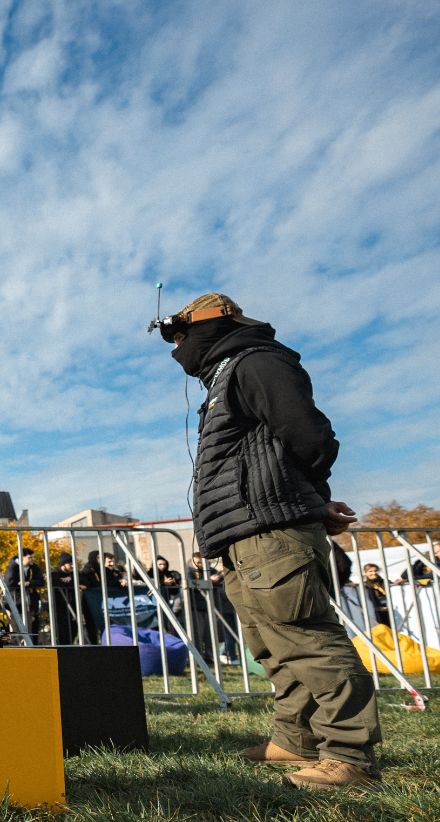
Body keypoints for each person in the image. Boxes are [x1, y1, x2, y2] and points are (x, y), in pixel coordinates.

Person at [160, 291, 380, 788]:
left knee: (307, 639)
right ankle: (294, 740)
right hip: (242, 533)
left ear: (213, 324)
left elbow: (309, 436)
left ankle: (349, 754)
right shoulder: (226, 374)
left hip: (269, 528)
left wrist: (308, 498)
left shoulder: (256, 363)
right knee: (273, 647)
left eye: (181, 335)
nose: (177, 348)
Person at [361, 563, 391, 628]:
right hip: (375, 612)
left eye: (375, 570)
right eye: (370, 571)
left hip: (389, 611)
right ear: (365, 572)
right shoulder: (364, 585)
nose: (374, 573)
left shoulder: (385, 582)